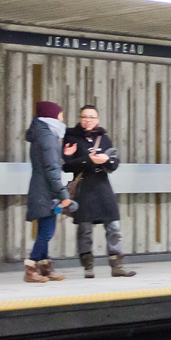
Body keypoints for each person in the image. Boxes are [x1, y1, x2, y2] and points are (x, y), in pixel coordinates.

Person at [63, 105, 135, 278]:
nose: (88, 120)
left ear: (97, 120)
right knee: (85, 229)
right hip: (84, 187)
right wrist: (87, 160)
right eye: (85, 117)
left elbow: (114, 163)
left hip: (103, 186)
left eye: (92, 117)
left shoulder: (103, 137)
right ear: (80, 118)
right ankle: (88, 266)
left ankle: (117, 265)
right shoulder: (71, 136)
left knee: (113, 226)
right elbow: (66, 166)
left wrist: (106, 160)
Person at [24, 101, 74, 283]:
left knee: (46, 229)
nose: (62, 119)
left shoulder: (44, 136)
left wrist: (64, 155)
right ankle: (31, 267)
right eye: (60, 115)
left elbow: (51, 164)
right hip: (46, 192)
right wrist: (64, 196)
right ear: (52, 117)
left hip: (41, 190)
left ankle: (45, 267)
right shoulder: (48, 139)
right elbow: (53, 173)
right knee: (46, 232)